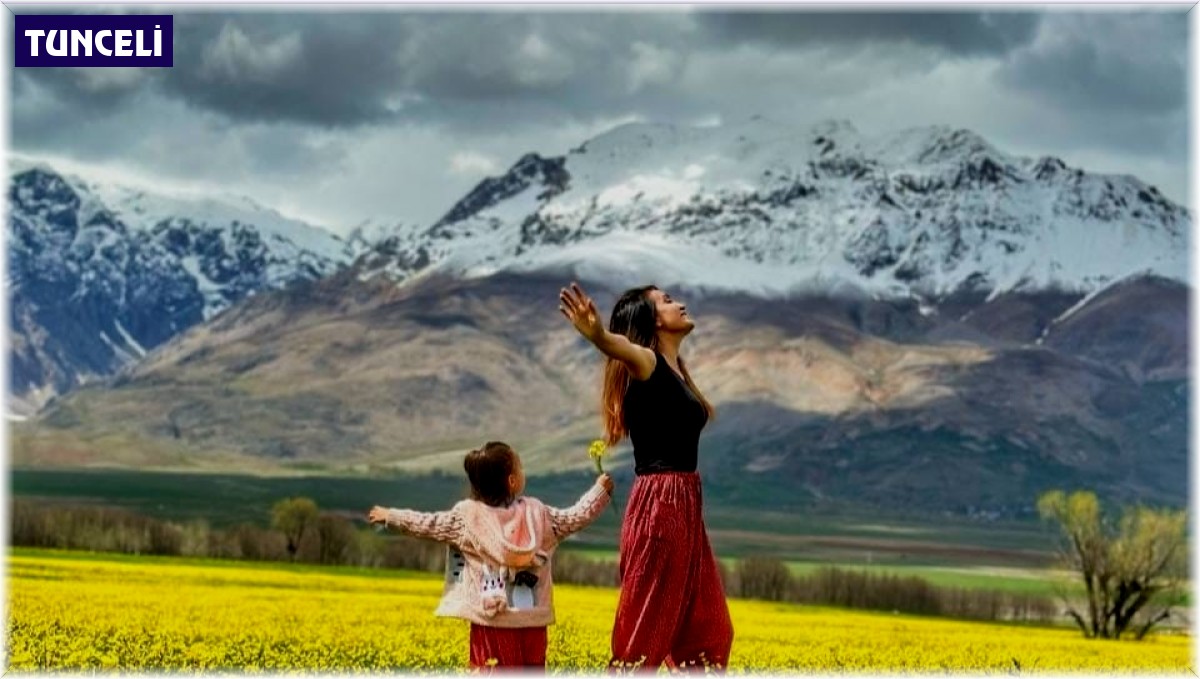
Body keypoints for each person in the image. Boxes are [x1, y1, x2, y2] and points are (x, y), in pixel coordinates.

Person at [558, 283, 734, 674]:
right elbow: (619, 346)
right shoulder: (648, 362)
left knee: (710, 634)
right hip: (661, 505)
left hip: (686, 507)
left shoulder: (676, 371)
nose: (680, 304)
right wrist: (598, 335)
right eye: (667, 301)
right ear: (653, 320)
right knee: (643, 635)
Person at [368, 441, 613, 672]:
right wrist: (600, 491)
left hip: (490, 622)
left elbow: (428, 524)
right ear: (512, 481)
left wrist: (391, 516)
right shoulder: (539, 515)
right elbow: (575, 517)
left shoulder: (467, 519)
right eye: (520, 467)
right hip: (533, 624)